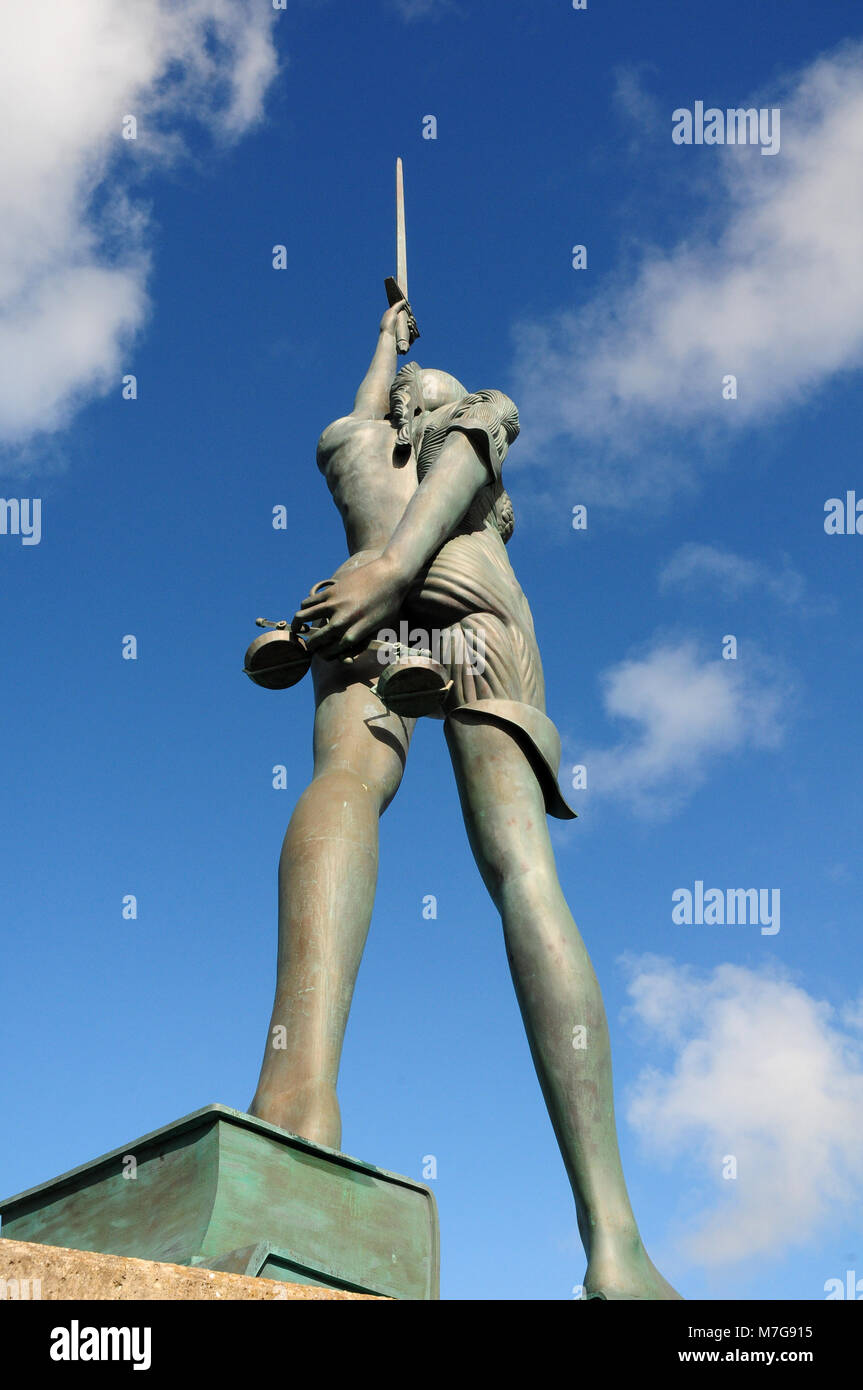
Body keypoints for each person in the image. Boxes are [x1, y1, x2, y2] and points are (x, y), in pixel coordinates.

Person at [250, 299, 680, 1299]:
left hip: (351, 597)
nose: (419, 403)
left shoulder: (358, 442)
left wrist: (382, 352)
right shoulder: (476, 421)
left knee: (343, 782)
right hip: (459, 594)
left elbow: (360, 410)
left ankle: (295, 1097)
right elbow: (474, 441)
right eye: (419, 396)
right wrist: (406, 561)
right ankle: (613, 1242)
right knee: (521, 868)